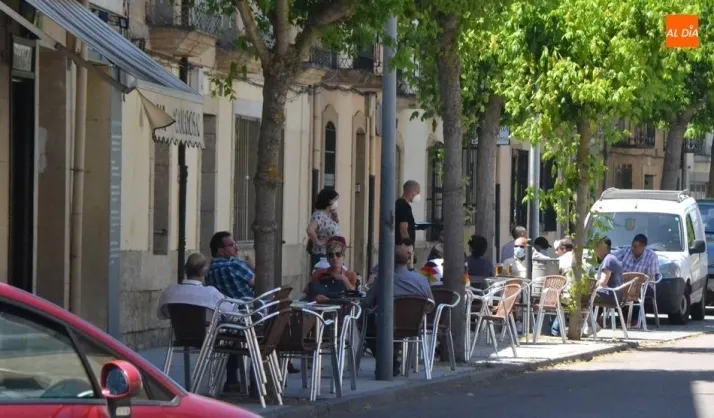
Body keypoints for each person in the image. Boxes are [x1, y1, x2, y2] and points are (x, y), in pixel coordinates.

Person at [364, 246, 433, 376]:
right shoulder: (422, 280)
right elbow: (430, 304)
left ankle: (388, 361)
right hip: (415, 325)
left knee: (367, 321)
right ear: (408, 260)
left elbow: (367, 301)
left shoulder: (384, 280)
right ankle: (392, 360)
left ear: (388, 261)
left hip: (388, 325)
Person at [157, 253, 233, 322]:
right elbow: (231, 314)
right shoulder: (211, 293)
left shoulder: (170, 291)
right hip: (207, 332)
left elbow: (161, 315)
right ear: (205, 271)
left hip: (179, 332)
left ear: (185, 270)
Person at [614, 234, 660, 326]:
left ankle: (634, 321)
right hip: (625, 283)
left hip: (643, 285)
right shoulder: (626, 250)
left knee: (636, 291)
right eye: (632, 245)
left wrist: (637, 282)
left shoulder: (651, 256)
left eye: (635, 247)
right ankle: (624, 319)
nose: (632, 248)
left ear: (643, 247)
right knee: (614, 289)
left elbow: (650, 277)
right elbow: (611, 257)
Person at [206, 231, 255, 300]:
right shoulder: (234, 266)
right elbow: (261, 283)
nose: (237, 248)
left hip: (222, 306)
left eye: (235, 244)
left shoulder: (208, 270)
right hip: (249, 305)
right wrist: (253, 266)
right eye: (231, 245)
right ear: (221, 251)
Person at [305, 237, 357, 302]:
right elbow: (307, 295)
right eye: (331, 255)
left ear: (343, 256)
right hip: (322, 307)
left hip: (343, 307)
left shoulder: (350, 275)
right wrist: (315, 297)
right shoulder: (318, 274)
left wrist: (344, 279)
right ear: (327, 258)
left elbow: (354, 298)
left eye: (338, 254)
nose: (334, 258)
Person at [307, 188, 341, 269]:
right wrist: (318, 242)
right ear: (329, 201)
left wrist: (336, 219)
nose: (336, 202)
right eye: (335, 200)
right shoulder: (319, 215)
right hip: (323, 255)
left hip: (332, 254)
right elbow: (310, 230)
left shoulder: (329, 215)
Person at [395, 180, 420, 246]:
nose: (418, 195)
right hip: (403, 248)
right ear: (412, 192)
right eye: (418, 192)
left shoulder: (399, 203)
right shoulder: (404, 206)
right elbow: (403, 229)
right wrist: (408, 246)